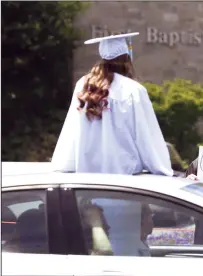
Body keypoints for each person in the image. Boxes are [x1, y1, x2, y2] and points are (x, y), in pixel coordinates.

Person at [51, 32, 173, 176]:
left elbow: (71, 132)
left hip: (87, 181)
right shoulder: (134, 90)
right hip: (124, 183)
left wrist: (63, 164)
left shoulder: (84, 86)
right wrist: (163, 169)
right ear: (127, 59)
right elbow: (146, 137)